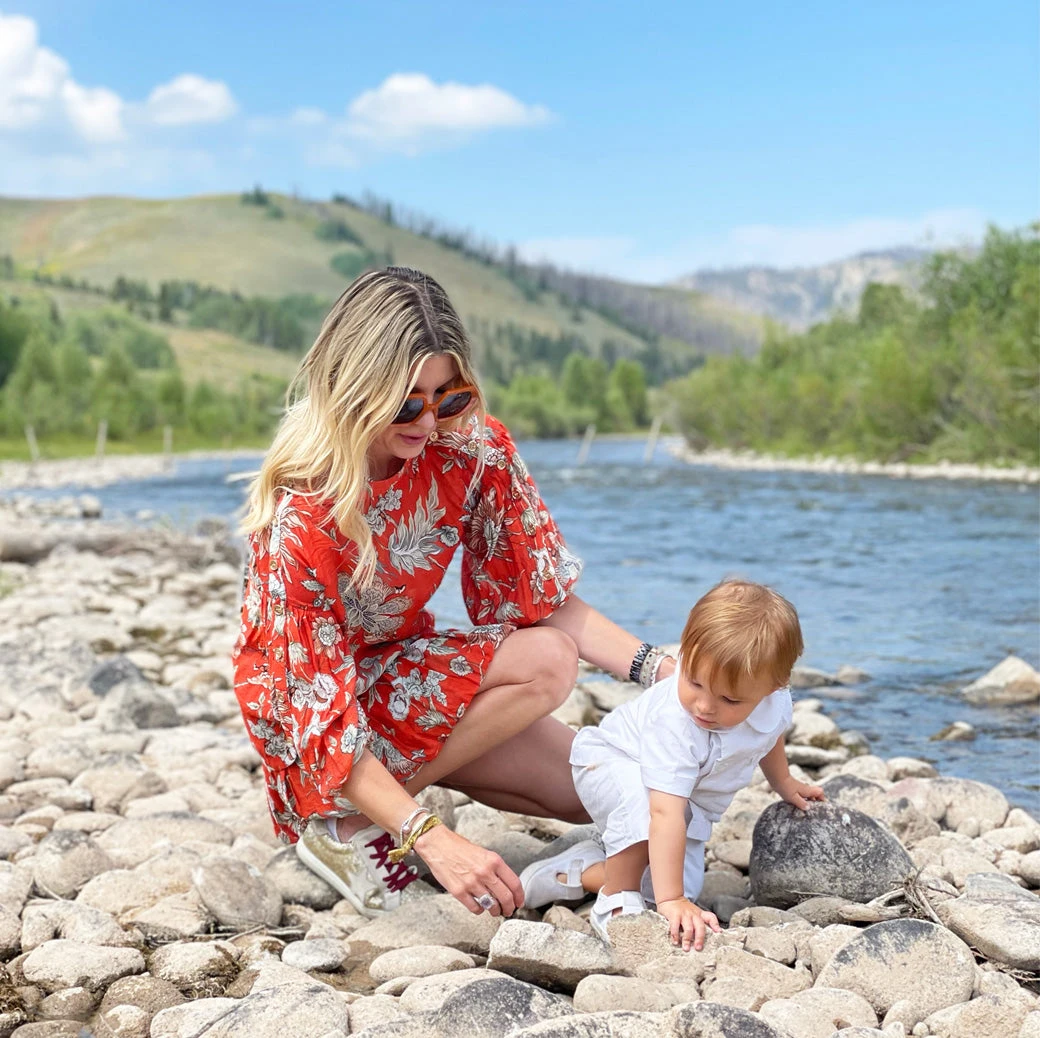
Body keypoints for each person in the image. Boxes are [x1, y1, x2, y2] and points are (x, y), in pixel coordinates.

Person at [232, 266, 678, 921]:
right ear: (356, 390)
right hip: (313, 730)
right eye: (408, 402)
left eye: (450, 395)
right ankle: (347, 828)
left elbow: (541, 597)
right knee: (547, 661)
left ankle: (378, 811)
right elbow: (317, 717)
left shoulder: (469, 448)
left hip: (401, 686)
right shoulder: (305, 510)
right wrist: (431, 838)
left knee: (617, 794)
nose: (431, 419)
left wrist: (664, 671)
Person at [520, 579, 825, 949]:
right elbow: (664, 813)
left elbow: (768, 735)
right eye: (694, 682)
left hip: (685, 798)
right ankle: (616, 897)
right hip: (613, 760)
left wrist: (784, 782)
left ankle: (578, 874)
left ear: (774, 688)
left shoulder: (774, 703)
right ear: (685, 651)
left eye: (729, 700)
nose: (704, 707)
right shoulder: (676, 723)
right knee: (650, 830)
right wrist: (673, 901)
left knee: (672, 885)